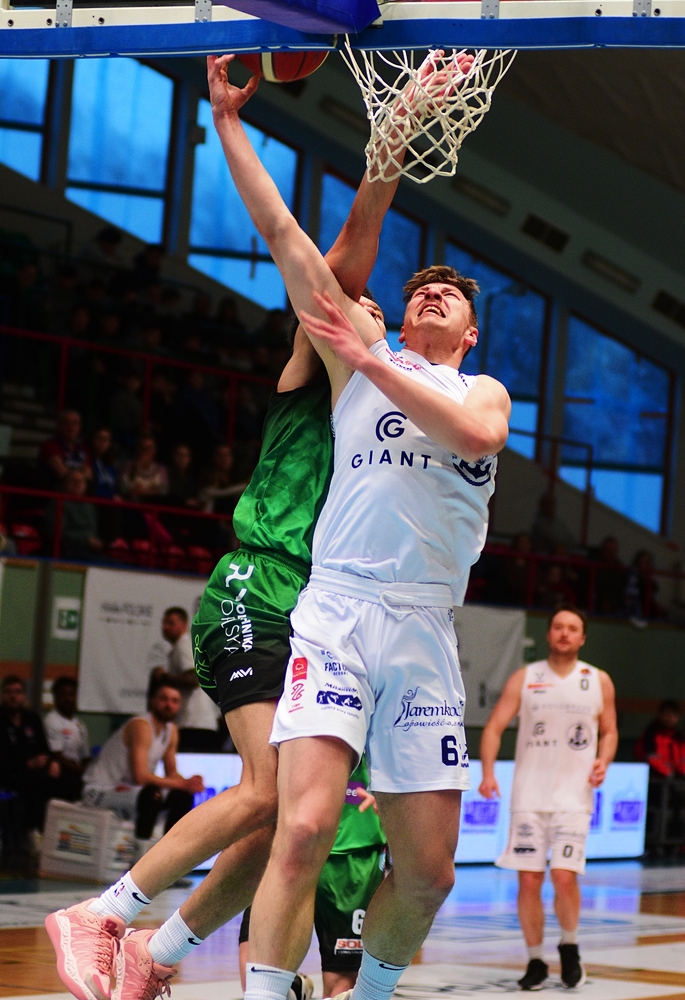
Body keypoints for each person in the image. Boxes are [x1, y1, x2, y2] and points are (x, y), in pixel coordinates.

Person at [45, 50, 427, 1000]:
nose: (356, 303)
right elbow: (322, 238)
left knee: (296, 818)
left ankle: (158, 955)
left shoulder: (405, 417)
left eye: (366, 306)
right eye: (347, 302)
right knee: (264, 792)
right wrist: (368, 136)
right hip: (261, 583)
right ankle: (104, 914)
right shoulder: (321, 364)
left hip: (325, 616)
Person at [202, 52, 509, 1000]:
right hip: (335, 611)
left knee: (429, 875)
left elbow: (472, 434)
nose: (431, 293)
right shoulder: (354, 353)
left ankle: (368, 994)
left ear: (468, 334)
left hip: (423, 626)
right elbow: (284, 233)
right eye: (421, 289)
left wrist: (373, 363)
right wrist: (228, 124)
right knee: (299, 827)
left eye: (450, 296)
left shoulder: (480, 389)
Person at [478, 605, 618, 990]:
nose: (564, 633)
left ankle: (570, 947)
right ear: (548, 633)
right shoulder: (526, 677)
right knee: (529, 881)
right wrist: (487, 773)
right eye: (558, 626)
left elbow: (609, 731)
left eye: (572, 628)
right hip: (529, 796)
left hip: (574, 798)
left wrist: (604, 760)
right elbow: (493, 728)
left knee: (563, 876)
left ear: (582, 637)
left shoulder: (598, 680)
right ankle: (535, 959)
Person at [239, 758, 387, 1000]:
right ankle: (294, 989)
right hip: (286, 841)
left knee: (341, 985)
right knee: (255, 982)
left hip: (353, 849)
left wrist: (392, 799)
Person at [78, 679, 204, 857]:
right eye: (164, 699)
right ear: (153, 701)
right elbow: (140, 777)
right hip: (99, 789)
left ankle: (167, 857)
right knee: (151, 795)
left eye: (174, 701)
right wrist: (183, 783)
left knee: (182, 797)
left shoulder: (172, 730)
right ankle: (140, 861)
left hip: (128, 790)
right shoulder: (141, 725)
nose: (169, 705)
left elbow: (172, 774)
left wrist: (190, 783)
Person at [156, 607, 220, 752]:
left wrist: (164, 677)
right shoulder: (190, 645)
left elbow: (194, 679)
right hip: (201, 723)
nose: (165, 627)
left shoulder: (183, 645)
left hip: (192, 723)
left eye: (171, 623)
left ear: (183, 625)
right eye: (164, 623)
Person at [0, 674, 52, 854]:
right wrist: (26, 764)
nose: (13, 696)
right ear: (3, 695)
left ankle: (36, 831)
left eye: (17, 692)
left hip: (32, 774)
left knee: (47, 781)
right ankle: (21, 835)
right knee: (29, 783)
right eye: (8, 692)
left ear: (23, 696)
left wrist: (50, 762)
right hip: (7, 774)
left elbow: (44, 748)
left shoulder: (32, 719)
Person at [636, 699, 685, 842]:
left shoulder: (679, 737)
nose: (670, 718)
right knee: (655, 811)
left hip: (676, 784)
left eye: (674, 715)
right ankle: (653, 843)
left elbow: (682, 759)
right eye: (667, 714)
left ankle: (676, 842)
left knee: (678, 809)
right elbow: (649, 757)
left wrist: (680, 773)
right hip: (655, 783)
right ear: (660, 715)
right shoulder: (651, 735)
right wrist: (667, 773)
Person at [44, 676, 91, 803]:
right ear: (55, 697)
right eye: (63, 694)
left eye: (71, 694)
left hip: (78, 775)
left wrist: (88, 771)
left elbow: (86, 756)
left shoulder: (80, 724)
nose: (67, 698)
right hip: (60, 776)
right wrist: (83, 771)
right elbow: (57, 756)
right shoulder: (51, 720)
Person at [39, 409, 91, 488]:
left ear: (80, 427)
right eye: (66, 423)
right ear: (58, 425)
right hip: (56, 490)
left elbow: (89, 475)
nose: (71, 428)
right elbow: (64, 474)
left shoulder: (83, 448)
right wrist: (79, 474)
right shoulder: (50, 446)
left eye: (74, 423)